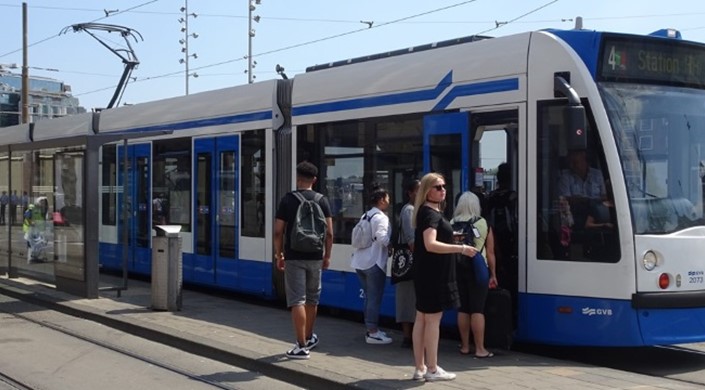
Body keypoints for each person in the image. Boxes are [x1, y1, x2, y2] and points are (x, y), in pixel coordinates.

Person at [410, 172, 471, 382]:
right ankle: (433, 368)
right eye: (437, 187)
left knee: (422, 319)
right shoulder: (431, 215)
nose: (443, 190)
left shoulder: (425, 213)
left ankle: (420, 367)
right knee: (432, 320)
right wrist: (460, 248)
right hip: (435, 275)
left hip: (425, 273)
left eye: (444, 186)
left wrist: (451, 236)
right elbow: (430, 244)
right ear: (427, 191)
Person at [273, 161, 333, 360]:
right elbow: (330, 233)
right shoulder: (323, 200)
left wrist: (278, 254)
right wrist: (327, 256)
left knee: (297, 299)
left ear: (297, 178)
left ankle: (300, 346)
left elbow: (278, 231)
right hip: (316, 255)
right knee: (312, 298)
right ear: (314, 180)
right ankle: (308, 337)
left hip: (294, 256)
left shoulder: (288, 200)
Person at [451, 191, 497, 359]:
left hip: (458, 269)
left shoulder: (451, 222)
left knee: (463, 309)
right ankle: (480, 348)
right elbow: (490, 253)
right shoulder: (482, 223)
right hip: (478, 269)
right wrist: (493, 274)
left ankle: (464, 346)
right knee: (477, 309)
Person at [350, 186, 393, 344]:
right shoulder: (381, 217)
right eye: (387, 198)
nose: (388, 201)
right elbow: (381, 236)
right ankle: (373, 332)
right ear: (381, 200)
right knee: (374, 298)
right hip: (374, 262)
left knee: (368, 297)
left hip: (360, 262)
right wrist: (391, 246)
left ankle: (370, 328)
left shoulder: (365, 215)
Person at [395, 179, 419, 349]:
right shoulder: (410, 211)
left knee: (409, 299)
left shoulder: (414, 210)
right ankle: (407, 337)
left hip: (409, 262)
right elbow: (412, 240)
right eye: (418, 190)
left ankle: (410, 336)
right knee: (407, 299)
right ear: (410, 193)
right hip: (410, 262)